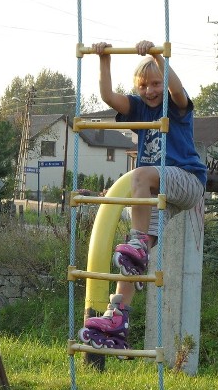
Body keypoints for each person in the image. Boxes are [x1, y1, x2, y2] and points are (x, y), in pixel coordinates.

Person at [78, 40, 207, 350]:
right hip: (159, 189)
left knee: (140, 175)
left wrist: (157, 56)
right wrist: (103, 59)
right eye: (143, 85)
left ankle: (137, 242)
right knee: (131, 261)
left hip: (187, 180)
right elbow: (109, 96)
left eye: (155, 84)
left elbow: (176, 88)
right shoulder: (137, 107)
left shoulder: (174, 107)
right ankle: (117, 316)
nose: (150, 91)